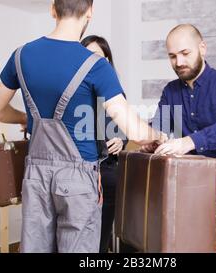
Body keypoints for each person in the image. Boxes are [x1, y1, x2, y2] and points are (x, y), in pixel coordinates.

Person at [0, 0, 166, 253]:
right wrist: (157, 135)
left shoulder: (20, 55)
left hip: (36, 176)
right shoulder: (96, 66)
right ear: (90, 13)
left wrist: (25, 118)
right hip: (78, 180)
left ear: (53, 9)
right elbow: (135, 131)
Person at [143, 24, 216, 253]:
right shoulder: (171, 91)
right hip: (189, 197)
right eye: (172, 56)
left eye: (185, 53)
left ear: (202, 48)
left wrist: (189, 142)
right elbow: (162, 127)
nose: (179, 62)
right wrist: (152, 138)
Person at [81, 35, 127, 253]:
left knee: (100, 237)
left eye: (97, 57)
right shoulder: (74, 95)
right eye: (86, 56)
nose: (91, 62)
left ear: (107, 61)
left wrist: (121, 140)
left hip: (107, 172)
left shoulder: (115, 94)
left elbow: (124, 130)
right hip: (78, 174)